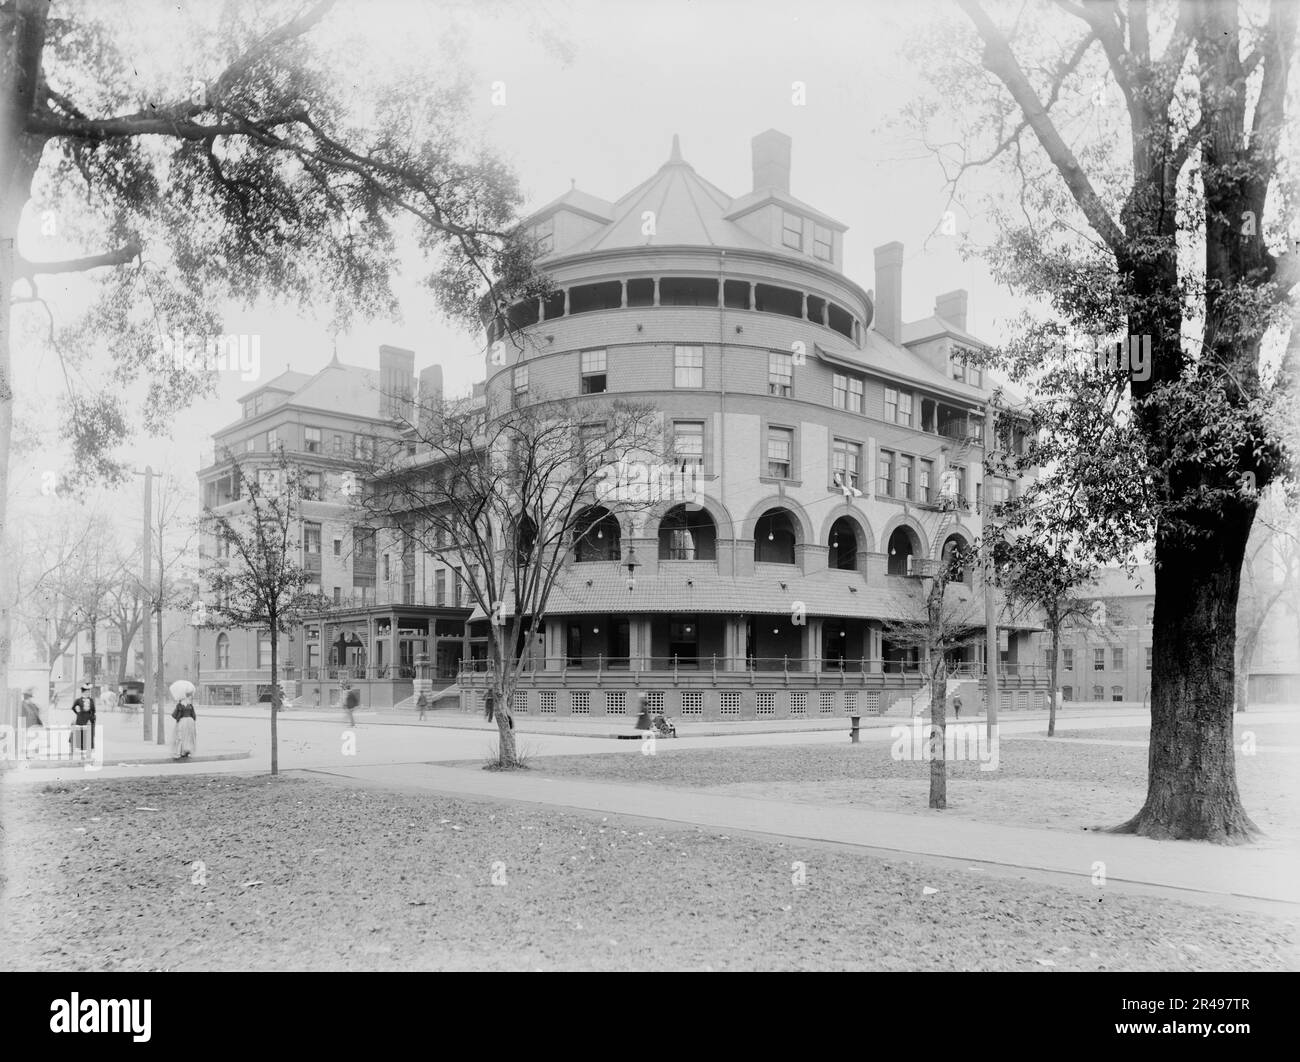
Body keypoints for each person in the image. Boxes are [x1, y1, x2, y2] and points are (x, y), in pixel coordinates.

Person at [70, 684, 96, 757]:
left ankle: (88, 749)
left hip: (89, 719)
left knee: (89, 733)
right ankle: (80, 748)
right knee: (80, 732)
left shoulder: (91, 700)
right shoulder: (78, 700)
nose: (88, 693)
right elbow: (73, 707)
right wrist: (78, 713)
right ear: (83, 692)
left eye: (88, 692)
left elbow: (93, 710)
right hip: (80, 718)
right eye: (86, 692)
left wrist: (92, 716)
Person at [172, 694, 197, 759]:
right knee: (189, 737)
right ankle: (187, 751)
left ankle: (180, 752)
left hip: (182, 721)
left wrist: (178, 717)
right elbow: (194, 716)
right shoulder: (190, 705)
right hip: (190, 722)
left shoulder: (180, 705)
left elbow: (174, 715)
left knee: (180, 737)